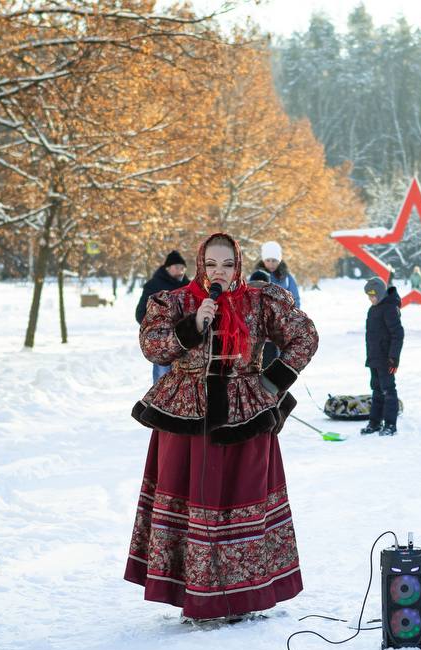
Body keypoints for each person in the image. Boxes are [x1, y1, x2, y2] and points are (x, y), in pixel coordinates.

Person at [126, 233, 319, 621]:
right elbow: (153, 346)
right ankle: (193, 598)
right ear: (201, 264)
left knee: (239, 501)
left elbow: (304, 337)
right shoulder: (176, 300)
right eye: (212, 265)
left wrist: (271, 382)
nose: (220, 272)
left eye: (227, 265)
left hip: (243, 418)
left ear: (239, 265)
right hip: (187, 417)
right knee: (191, 500)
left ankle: (243, 598)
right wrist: (192, 324)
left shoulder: (260, 301)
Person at [135, 251, 189, 383]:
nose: (180, 271)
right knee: (162, 381)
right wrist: (155, 330)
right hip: (162, 342)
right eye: (177, 267)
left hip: (185, 340)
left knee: (185, 383)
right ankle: (159, 404)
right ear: (167, 268)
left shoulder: (188, 287)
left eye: (182, 268)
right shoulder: (153, 285)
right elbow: (141, 313)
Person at [362, 276, 403, 437]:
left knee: (388, 391)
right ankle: (375, 422)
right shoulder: (373, 309)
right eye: (369, 296)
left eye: (373, 295)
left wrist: (393, 357)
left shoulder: (390, 309)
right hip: (374, 358)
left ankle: (390, 424)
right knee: (376, 390)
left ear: (380, 293)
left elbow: (397, 334)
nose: (371, 299)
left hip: (387, 359)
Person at [256, 241, 301, 308]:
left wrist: (294, 313)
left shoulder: (286, 277)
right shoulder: (257, 276)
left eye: (274, 260)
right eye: (268, 260)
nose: (271, 264)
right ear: (263, 261)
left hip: (282, 315)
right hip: (262, 315)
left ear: (279, 261)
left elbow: (295, 298)